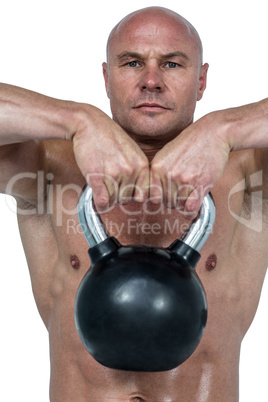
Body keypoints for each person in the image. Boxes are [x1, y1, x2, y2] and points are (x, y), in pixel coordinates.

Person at [0, 5, 267, 401]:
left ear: (202, 80)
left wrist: (224, 128)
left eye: (173, 64)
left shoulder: (248, 171)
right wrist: (78, 120)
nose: (152, 81)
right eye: (132, 63)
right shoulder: (48, 165)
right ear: (107, 78)